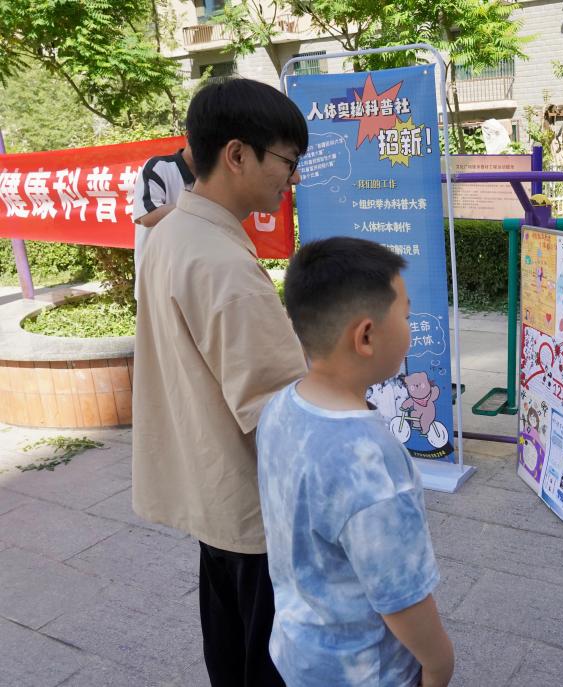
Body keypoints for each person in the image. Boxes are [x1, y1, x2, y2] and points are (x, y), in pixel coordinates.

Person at [132, 77, 309, 687]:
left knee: (229, 653)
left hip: (213, 499)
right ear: (237, 154)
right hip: (256, 511)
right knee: (272, 664)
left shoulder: (169, 233)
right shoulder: (224, 263)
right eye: (287, 160)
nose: (291, 178)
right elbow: (281, 413)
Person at [256, 237, 454, 687]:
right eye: (405, 316)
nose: (410, 327)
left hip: (298, 652)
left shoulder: (282, 406)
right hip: (366, 674)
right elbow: (401, 598)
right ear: (366, 336)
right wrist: (440, 664)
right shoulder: (371, 465)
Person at [131, 143, 196, 299]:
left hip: (193, 281)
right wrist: (196, 205)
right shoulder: (159, 166)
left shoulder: (215, 174)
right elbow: (147, 216)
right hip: (156, 283)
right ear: (188, 136)